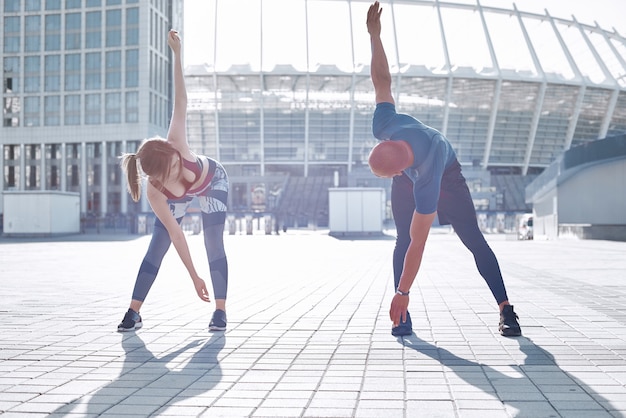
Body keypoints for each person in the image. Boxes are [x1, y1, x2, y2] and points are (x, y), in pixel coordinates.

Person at [366, 2, 521, 337]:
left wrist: (402, 292)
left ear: (400, 168)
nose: (393, 178)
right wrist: (375, 37)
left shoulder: (428, 172)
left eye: (391, 175)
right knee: (399, 240)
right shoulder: (385, 123)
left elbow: (420, 243)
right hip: (413, 175)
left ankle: (506, 309)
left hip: (449, 179)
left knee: (472, 239)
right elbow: (381, 79)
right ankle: (402, 317)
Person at [118, 29, 229, 332]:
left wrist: (178, 54)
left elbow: (181, 99)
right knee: (157, 245)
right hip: (181, 199)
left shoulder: (175, 141)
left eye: (173, 162)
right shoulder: (156, 193)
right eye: (166, 173)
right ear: (155, 178)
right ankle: (133, 312)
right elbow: (177, 237)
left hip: (213, 181)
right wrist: (194, 277)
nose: (174, 168)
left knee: (212, 241)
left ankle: (220, 311)